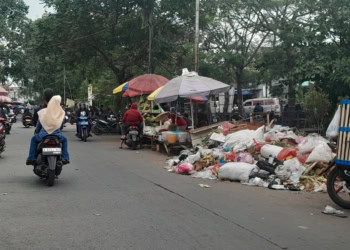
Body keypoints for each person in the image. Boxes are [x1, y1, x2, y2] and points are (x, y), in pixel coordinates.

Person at [26, 95, 70, 165]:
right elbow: (61, 126)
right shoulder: (59, 113)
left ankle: (31, 158)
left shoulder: (43, 112)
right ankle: (65, 158)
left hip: (43, 135)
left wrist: (37, 131)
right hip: (57, 135)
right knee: (64, 140)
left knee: (33, 139)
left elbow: (39, 126)